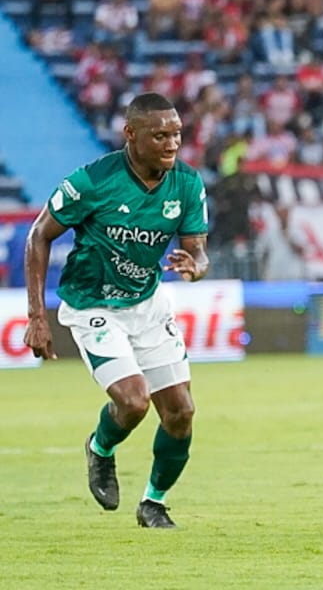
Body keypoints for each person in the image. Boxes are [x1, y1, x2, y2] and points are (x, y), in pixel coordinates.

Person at [22, 93, 209, 529]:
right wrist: (37, 316)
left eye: (177, 134)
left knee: (180, 412)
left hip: (147, 303)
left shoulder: (187, 184)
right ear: (131, 135)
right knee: (133, 401)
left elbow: (198, 253)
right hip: (93, 306)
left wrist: (195, 267)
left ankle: (153, 503)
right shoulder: (92, 181)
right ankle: (101, 449)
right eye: (160, 135)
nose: (172, 144)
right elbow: (38, 236)